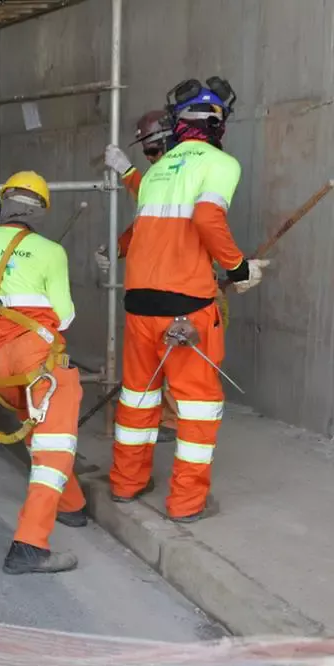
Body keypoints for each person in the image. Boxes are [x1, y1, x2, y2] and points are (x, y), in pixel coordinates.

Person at [110, 77, 270, 523]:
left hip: (140, 305)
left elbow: (149, 230)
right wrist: (237, 269)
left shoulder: (157, 171)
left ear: (177, 125)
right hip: (186, 308)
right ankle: (185, 503)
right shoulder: (221, 163)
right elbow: (206, 216)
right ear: (218, 123)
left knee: (138, 398)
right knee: (198, 406)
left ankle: (127, 482)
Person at [0, 171, 86, 575]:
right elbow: (65, 318)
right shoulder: (49, 251)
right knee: (54, 448)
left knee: (42, 435)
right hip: (40, 364)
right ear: (40, 212)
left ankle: (74, 506)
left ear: (2, 205)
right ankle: (29, 546)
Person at [96, 110, 181, 442]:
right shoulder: (160, 178)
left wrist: (127, 172)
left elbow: (162, 206)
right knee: (155, 361)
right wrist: (116, 249)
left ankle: (172, 421)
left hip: (180, 283)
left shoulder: (181, 173)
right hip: (154, 286)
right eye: (147, 154)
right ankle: (156, 418)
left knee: (177, 358)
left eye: (152, 152)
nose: (150, 159)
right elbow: (149, 225)